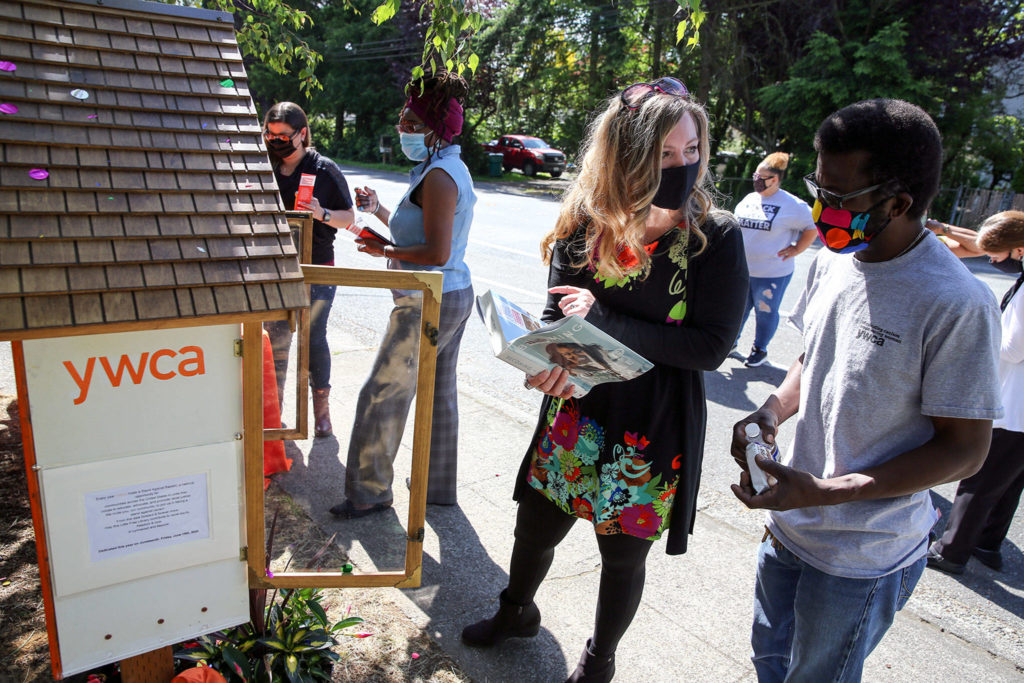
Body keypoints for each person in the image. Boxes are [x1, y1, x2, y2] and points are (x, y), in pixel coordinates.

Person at [461, 77, 747, 683]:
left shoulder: (713, 237)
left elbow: (711, 347)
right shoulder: (582, 224)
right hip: (577, 412)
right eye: (665, 154)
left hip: (651, 425)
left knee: (621, 556)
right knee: (534, 527)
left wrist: (605, 319)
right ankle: (516, 612)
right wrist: (548, 362)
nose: (683, 166)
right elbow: (555, 312)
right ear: (626, 155)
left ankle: (599, 661)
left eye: (692, 151)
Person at [729, 99, 1002, 683]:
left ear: (897, 202)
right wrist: (772, 410)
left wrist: (829, 491)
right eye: (818, 188)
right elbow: (815, 355)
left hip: (861, 557)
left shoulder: (957, 302)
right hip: (791, 525)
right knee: (769, 662)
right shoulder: (833, 260)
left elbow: (965, 451)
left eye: (837, 198)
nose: (821, 209)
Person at [329, 71, 476, 516]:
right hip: (451, 291)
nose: (402, 130)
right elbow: (422, 229)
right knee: (438, 393)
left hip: (427, 298)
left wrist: (384, 250)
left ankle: (369, 493)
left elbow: (435, 248)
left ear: (436, 131)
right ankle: (435, 486)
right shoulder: (443, 167)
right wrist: (380, 215)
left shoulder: (439, 176)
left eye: (412, 125)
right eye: (402, 122)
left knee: (383, 393)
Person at [927, 210, 1024, 574]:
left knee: (979, 481)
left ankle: (951, 551)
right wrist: (946, 228)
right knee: (1009, 482)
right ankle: (988, 544)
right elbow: (981, 242)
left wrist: (982, 328)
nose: (993, 261)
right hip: (1020, 405)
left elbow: (1013, 348)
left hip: (1014, 402)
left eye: (998, 256)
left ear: (1018, 249)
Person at [262, 102, 355, 438]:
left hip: (317, 268)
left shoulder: (324, 170)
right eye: (270, 135)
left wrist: (321, 213)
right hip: (274, 269)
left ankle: (322, 414)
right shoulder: (263, 167)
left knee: (314, 338)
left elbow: (349, 218)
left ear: (302, 134)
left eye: (283, 136)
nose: (275, 142)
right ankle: (274, 418)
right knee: (275, 342)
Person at [733, 152, 817, 367]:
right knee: (739, 310)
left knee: (765, 312)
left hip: (772, 273)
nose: (757, 181)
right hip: (743, 270)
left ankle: (759, 349)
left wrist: (797, 248)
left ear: (776, 179)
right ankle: (732, 343)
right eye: (755, 176)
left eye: (762, 178)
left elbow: (813, 226)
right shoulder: (750, 199)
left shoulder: (792, 205)